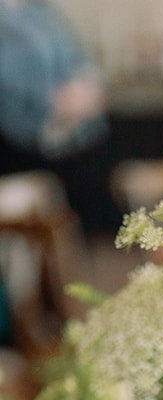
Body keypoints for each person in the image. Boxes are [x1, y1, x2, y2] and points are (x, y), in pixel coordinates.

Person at [0, 0, 109, 231]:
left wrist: (88, 84)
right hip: (22, 142)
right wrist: (57, 100)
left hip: (76, 135)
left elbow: (78, 55)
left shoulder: (40, 9)